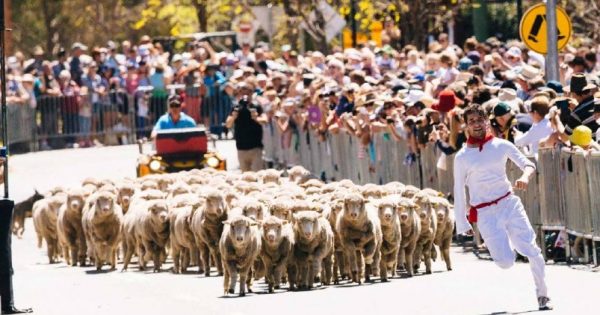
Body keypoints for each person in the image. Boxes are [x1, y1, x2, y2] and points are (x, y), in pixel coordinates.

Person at [453, 104, 552, 311]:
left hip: (509, 203)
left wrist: (525, 177)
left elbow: (528, 164)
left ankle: (543, 295)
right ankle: (508, 244)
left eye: (480, 120)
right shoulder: (462, 157)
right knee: (506, 262)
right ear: (466, 126)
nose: (477, 125)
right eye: (472, 121)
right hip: (485, 213)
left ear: (486, 121)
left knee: (532, 250)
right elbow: (459, 190)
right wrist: (462, 223)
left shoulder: (501, 145)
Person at [225, 82, 267, 172]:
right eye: (242, 93)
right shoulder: (236, 107)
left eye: (247, 92)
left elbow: (265, 120)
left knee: (257, 174)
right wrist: (233, 117)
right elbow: (228, 124)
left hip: (255, 147)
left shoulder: (256, 106)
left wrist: (256, 118)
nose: (245, 95)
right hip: (241, 147)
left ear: (251, 93)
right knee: (245, 177)